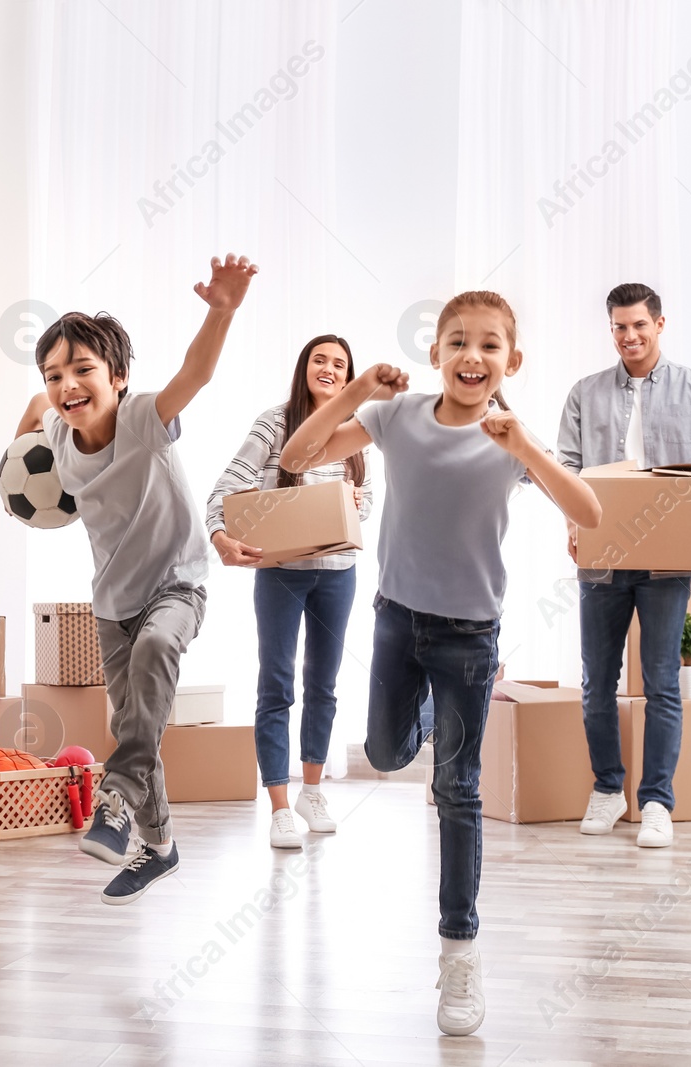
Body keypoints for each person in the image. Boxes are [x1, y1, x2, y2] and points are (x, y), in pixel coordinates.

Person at [280, 291, 601, 1037]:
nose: (472, 355)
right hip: (397, 619)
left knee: (457, 787)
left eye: (490, 345)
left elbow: (588, 513)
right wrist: (357, 391)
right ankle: (439, 712)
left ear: (510, 362)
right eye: (457, 341)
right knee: (388, 752)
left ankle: (459, 947)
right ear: (435, 354)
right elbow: (296, 459)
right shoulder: (396, 417)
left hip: (469, 634)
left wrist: (524, 447)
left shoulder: (508, 434)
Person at [14, 252, 259, 905]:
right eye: (55, 372)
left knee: (155, 658)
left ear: (119, 377)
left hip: (178, 586)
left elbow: (197, 372)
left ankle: (115, 800)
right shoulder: (57, 435)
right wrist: (14, 461)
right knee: (134, 723)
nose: (67, 384)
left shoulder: (145, 419)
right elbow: (36, 404)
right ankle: (161, 847)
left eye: (83, 370)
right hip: (111, 605)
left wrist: (222, 310)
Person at [558, 282, 691, 849]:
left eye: (638, 325)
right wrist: (571, 526)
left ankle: (657, 800)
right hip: (604, 558)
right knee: (596, 684)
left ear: (660, 324)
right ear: (609, 329)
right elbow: (564, 466)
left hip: (667, 561)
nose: (628, 336)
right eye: (618, 327)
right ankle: (608, 789)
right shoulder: (584, 393)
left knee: (662, 681)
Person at [205, 335, 374, 850]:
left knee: (324, 685)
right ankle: (279, 805)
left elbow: (365, 510)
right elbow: (222, 491)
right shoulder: (275, 422)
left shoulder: (358, 433)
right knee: (276, 684)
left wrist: (353, 503)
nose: (328, 369)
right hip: (281, 573)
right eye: (319, 360)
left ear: (348, 379)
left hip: (337, 573)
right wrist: (220, 537)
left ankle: (313, 791)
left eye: (338, 364)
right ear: (304, 368)